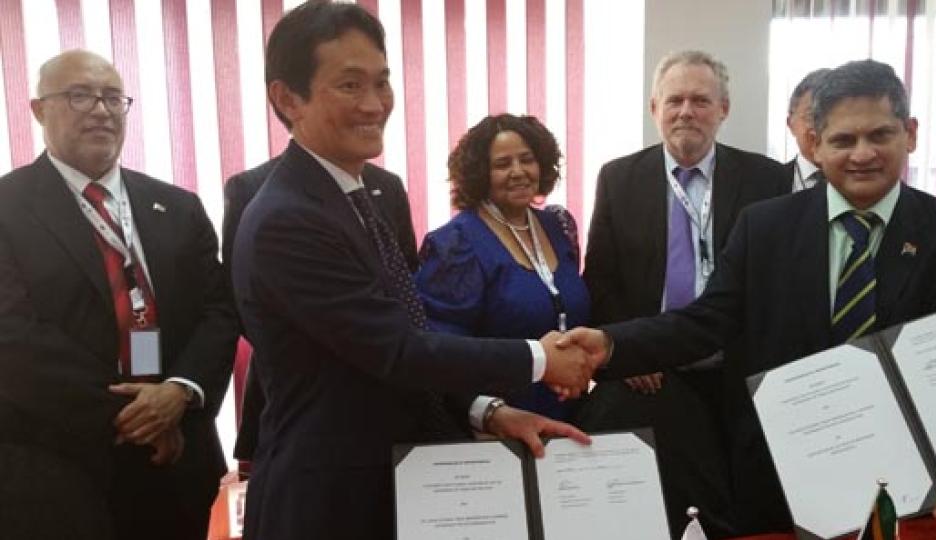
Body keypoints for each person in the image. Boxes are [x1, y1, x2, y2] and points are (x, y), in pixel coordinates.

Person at [562, 59, 936, 537]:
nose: (862, 154)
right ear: (814, 143)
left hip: (904, 481)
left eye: (880, 135)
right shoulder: (765, 226)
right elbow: (705, 323)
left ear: (910, 134)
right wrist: (611, 345)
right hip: (779, 469)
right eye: (843, 140)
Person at [231, 4, 596, 539]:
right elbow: (396, 351)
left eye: (382, 82)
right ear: (288, 98)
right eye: (350, 85)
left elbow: (410, 329)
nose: (375, 104)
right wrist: (541, 358)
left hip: (396, 480)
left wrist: (486, 411)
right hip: (328, 500)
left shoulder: (369, 197)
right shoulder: (287, 218)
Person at [0, 50, 237, 540]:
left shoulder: (178, 206)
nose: (101, 110)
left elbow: (219, 310)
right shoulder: (8, 207)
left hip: (176, 465)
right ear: (39, 110)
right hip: (59, 469)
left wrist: (179, 392)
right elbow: (13, 337)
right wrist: (138, 417)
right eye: (79, 96)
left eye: (112, 97)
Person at [578, 49, 789, 538]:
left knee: (745, 506)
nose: (686, 112)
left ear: (724, 109)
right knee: (672, 506)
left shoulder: (767, 178)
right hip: (656, 372)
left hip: (739, 368)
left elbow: (777, 279)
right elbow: (602, 280)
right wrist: (631, 350)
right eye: (674, 100)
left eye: (700, 100)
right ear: (655, 109)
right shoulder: (619, 178)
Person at [222, 156, 418, 464]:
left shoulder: (386, 185)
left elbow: (407, 280)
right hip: (308, 404)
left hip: (393, 397)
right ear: (290, 106)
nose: (372, 107)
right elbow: (241, 298)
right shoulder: (255, 189)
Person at [416, 114, 590, 421]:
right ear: (480, 174)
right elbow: (442, 346)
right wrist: (486, 412)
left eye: (527, 159)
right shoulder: (456, 243)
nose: (518, 172)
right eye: (502, 164)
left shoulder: (558, 226)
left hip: (574, 409)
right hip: (500, 420)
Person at [785, 68, 831, 192]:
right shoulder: (763, 182)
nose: (821, 126)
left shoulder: (866, 183)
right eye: (812, 116)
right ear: (790, 124)